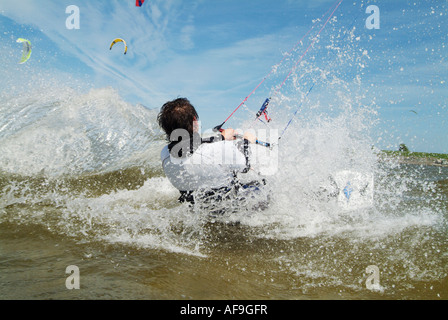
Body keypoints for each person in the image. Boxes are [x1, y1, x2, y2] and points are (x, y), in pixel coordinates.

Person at [158, 98, 262, 206]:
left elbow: (192, 146)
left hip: (197, 209)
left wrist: (221, 137)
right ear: (195, 121)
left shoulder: (165, 154)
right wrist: (246, 141)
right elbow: (245, 166)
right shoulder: (220, 149)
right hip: (229, 209)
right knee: (262, 185)